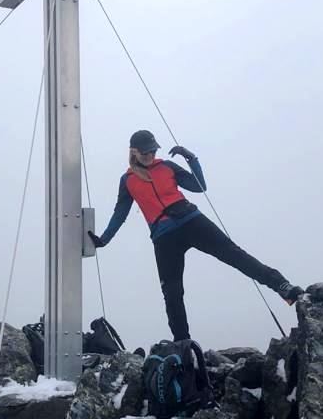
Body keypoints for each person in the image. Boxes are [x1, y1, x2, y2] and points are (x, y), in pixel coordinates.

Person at [88, 129, 303, 342]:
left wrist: (191, 158)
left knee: (235, 255)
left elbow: (199, 186)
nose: (151, 155)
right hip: (164, 237)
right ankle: (183, 344)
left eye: (153, 151)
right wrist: (104, 239)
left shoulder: (167, 166)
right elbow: (120, 213)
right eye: (146, 152)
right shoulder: (127, 180)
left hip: (191, 221)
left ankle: (282, 286)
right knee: (172, 292)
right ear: (134, 152)